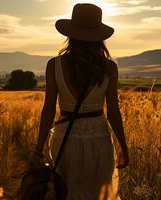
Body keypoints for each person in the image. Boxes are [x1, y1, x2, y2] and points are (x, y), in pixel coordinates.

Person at [29, 3, 129, 200]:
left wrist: (38, 149)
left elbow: (48, 109)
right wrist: (123, 147)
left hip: (64, 140)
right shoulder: (109, 68)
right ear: (99, 36)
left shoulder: (54, 66)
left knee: (65, 193)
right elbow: (114, 112)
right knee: (98, 194)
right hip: (99, 140)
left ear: (71, 33)